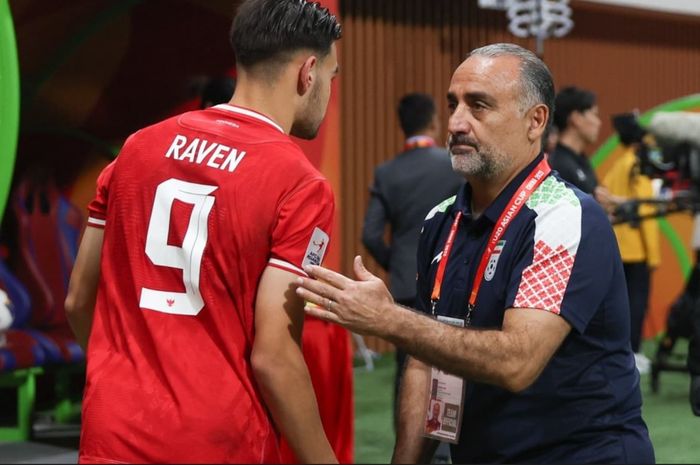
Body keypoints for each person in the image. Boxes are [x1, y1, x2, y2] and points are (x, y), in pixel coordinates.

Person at [297, 43, 655, 464]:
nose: (456, 123)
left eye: (479, 106)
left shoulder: (564, 216)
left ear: (535, 120)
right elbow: (427, 359)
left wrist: (390, 319)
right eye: (453, 105)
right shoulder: (440, 221)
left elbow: (517, 361)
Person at [64, 0, 341, 463]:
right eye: (333, 77)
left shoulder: (136, 149)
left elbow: (78, 299)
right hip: (216, 442)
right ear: (308, 72)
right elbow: (274, 355)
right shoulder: (300, 183)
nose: (329, 92)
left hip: (112, 432)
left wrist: (123, 377)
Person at [361, 92, 462, 421]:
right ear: (434, 121)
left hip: (405, 284)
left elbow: (370, 234)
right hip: (450, 279)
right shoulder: (453, 166)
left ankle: (406, 448)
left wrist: (398, 264)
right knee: (448, 368)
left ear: (401, 126)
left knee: (406, 370)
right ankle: (444, 450)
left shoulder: (386, 172)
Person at [603, 113, 661, 374]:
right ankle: (634, 352)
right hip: (636, 249)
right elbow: (645, 212)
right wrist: (654, 255)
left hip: (617, 244)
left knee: (621, 303)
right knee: (636, 302)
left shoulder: (617, 164)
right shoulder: (638, 165)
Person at [549, 86, 614, 207]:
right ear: (576, 118)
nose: (599, 123)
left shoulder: (580, 159)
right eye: (594, 114)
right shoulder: (558, 165)